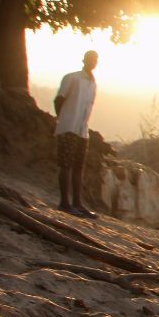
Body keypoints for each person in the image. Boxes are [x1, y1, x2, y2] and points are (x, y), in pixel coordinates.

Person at [53, 49, 100, 218]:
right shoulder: (72, 78)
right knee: (66, 164)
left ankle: (77, 203)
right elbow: (59, 99)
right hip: (69, 127)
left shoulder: (93, 83)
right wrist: (63, 119)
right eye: (90, 59)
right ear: (84, 60)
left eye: (95, 60)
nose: (93, 62)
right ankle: (64, 202)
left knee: (78, 167)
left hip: (82, 130)